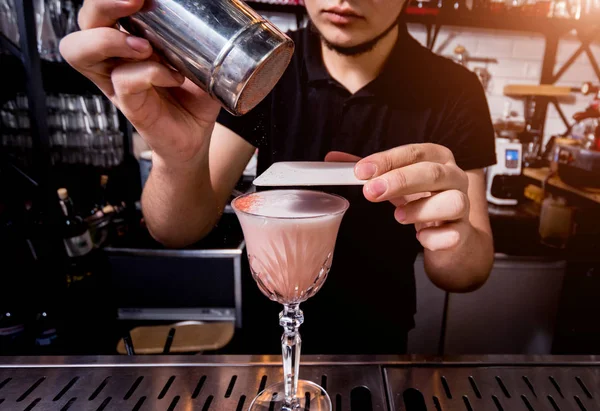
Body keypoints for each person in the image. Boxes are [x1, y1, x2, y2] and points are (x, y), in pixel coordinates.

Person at [61, 0, 496, 354]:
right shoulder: (264, 66)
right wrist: (177, 159)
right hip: (263, 341)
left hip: (378, 343)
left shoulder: (453, 89)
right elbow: (177, 229)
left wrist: (450, 234)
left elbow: (466, 274)